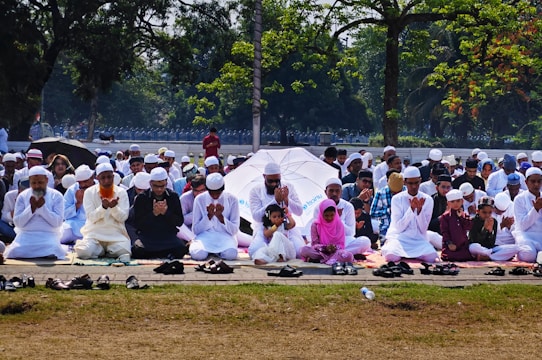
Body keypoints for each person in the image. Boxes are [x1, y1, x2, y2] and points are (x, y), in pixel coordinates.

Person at [3, 166, 65, 259]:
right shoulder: (22, 196)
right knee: (13, 251)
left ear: (47, 180)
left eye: (40, 182)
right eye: (33, 183)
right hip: (26, 235)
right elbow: (18, 223)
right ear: (29, 182)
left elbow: (58, 223)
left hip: (48, 235)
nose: (37, 186)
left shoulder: (56, 196)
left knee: (54, 249)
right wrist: (31, 208)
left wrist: (42, 209)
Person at [381, 166, 439, 263]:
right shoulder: (397, 199)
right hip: (400, 238)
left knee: (432, 258)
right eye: (410, 183)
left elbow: (423, 229)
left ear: (420, 181)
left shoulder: (427, 199)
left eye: (416, 183)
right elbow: (399, 227)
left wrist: (419, 211)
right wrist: (411, 210)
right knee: (391, 257)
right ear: (404, 182)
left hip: (418, 240)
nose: (414, 186)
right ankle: (388, 245)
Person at [74, 163, 131, 261]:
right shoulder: (89, 192)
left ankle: (104, 250)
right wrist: (103, 207)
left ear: (113, 176)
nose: (107, 181)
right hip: (94, 234)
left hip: (115, 235)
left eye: (109, 177)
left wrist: (114, 208)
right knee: (83, 252)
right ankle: (101, 250)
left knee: (124, 251)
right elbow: (91, 217)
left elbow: (123, 217)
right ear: (97, 178)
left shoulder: (121, 192)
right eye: (103, 178)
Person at [249, 162, 305, 256]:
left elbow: (299, 211)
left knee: (299, 252)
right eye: (270, 181)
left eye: (277, 180)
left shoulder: (288, 187)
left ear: (280, 177)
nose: (274, 184)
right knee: (254, 251)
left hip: (287, 226)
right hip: (265, 227)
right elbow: (256, 217)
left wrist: (287, 200)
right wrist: (275, 201)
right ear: (264, 177)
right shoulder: (256, 190)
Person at [132, 168, 187, 259]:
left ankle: (157, 254)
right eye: (156, 186)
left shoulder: (173, 197)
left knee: (181, 249)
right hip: (148, 236)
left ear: (166, 183)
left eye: (162, 186)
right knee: (137, 250)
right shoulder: (141, 198)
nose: (159, 189)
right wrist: (154, 214)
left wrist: (166, 213)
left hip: (168, 236)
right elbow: (137, 224)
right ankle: (163, 254)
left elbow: (179, 221)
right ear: (150, 184)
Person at [190, 173, 239, 260]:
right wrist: (209, 216)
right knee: (198, 254)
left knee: (231, 254)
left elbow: (234, 230)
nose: (215, 196)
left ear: (223, 189)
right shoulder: (199, 199)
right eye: (212, 193)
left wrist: (221, 217)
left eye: (218, 193)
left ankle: (217, 253)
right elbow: (196, 230)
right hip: (204, 236)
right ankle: (211, 252)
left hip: (225, 236)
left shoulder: (232, 199)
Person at [318, 178, 371, 256]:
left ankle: (330, 255)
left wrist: (338, 220)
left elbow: (351, 233)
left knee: (365, 242)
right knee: (305, 249)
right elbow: (318, 230)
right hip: (325, 241)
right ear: (325, 192)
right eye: (331, 191)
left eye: (337, 191)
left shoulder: (348, 206)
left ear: (341, 192)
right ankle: (339, 254)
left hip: (343, 240)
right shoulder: (319, 206)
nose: (334, 194)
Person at [300, 199, 354, 265]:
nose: (329, 218)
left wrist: (333, 247)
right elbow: (314, 244)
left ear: (335, 214)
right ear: (321, 213)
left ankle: (321, 260)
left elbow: (341, 244)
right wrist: (325, 248)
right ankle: (331, 260)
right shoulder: (316, 225)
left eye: (332, 215)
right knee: (304, 250)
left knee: (349, 256)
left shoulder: (339, 224)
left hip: (335, 251)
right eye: (326, 216)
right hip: (320, 251)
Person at [469, 196, 519, 261]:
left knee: (516, 248)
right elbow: (474, 241)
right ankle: (494, 256)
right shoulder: (472, 221)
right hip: (478, 248)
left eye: (490, 212)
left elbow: (491, 243)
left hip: (490, 249)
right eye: (484, 212)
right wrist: (485, 229)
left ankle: (488, 257)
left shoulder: (494, 221)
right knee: (473, 247)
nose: (487, 215)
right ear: (477, 211)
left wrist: (490, 232)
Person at [60, 165, 95, 245]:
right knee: (58, 237)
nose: (82, 185)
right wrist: (78, 203)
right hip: (74, 225)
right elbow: (63, 214)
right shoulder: (72, 189)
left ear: (92, 177)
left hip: (95, 227)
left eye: (85, 181)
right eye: (80, 182)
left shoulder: (99, 188)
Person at [513, 167, 542, 262]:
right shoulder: (519, 199)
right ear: (526, 182)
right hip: (526, 235)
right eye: (533, 181)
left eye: (539, 181)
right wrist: (536, 209)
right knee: (528, 255)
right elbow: (522, 226)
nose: (536, 184)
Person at [440, 189, 473, 261]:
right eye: (452, 202)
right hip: (450, 246)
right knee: (449, 256)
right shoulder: (445, 216)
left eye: (458, 201)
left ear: (462, 201)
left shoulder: (464, 214)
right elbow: (444, 232)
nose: (455, 204)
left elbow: (469, 226)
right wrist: (449, 243)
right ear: (448, 203)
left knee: (466, 256)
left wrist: (461, 217)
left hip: (462, 246)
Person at [370, 171, 405, 240]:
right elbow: (373, 213)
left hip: (405, 229)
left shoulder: (407, 192)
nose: (396, 194)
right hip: (386, 228)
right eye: (394, 192)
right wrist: (388, 211)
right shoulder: (381, 193)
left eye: (398, 192)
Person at [0, 177, 30, 243]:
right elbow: (3, 218)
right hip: (13, 228)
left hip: (31, 230)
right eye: (22, 190)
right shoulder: (10, 196)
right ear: (19, 189)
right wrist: (12, 213)